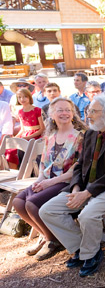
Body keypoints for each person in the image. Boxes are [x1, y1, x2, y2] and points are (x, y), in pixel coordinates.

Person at [39, 95, 105, 277]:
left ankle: (91, 254)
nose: (88, 115)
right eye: (88, 111)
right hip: (85, 186)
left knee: (87, 215)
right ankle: (80, 247)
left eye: (93, 111)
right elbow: (80, 164)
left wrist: (87, 193)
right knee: (47, 211)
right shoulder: (91, 133)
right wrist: (76, 188)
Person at [12, 98, 85, 262]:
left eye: (67, 110)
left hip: (67, 182)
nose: (64, 113)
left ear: (73, 114)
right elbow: (44, 164)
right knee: (18, 202)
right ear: (52, 115)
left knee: (32, 203)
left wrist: (48, 183)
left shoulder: (80, 137)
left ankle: (52, 241)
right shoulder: (50, 136)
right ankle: (48, 236)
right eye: (60, 110)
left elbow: (78, 169)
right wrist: (39, 181)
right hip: (49, 180)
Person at [5, 88, 43, 168]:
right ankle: (17, 171)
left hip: (36, 135)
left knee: (26, 148)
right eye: (19, 97)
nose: (22, 99)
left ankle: (31, 170)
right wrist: (16, 137)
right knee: (11, 151)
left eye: (25, 96)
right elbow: (22, 129)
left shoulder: (37, 110)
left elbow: (42, 129)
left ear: (29, 97)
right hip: (25, 135)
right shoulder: (20, 111)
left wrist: (28, 137)